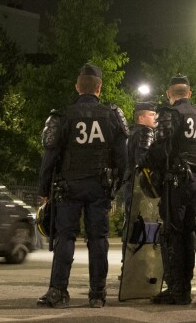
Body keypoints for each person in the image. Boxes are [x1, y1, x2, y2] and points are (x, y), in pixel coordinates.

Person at [36, 63, 128, 309]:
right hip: (99, 187)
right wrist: (114, 186)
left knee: (65, 237)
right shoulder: (112, 116)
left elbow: (50, 156)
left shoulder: (63, 116)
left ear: (77, 87)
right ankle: (97, 294)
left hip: (69, 186)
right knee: (98, 239)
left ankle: (58, 291)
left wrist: (44, 190)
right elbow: (123, 158)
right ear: (99, 88)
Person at [146, 74, 196, 305]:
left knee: (172, 233)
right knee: (187, 234)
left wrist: (146, 163)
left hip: (176, 180)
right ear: (189, 93)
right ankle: (185, 287)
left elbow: (160, 148)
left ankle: (176, 288)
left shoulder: (171, 113)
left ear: (169, 93)